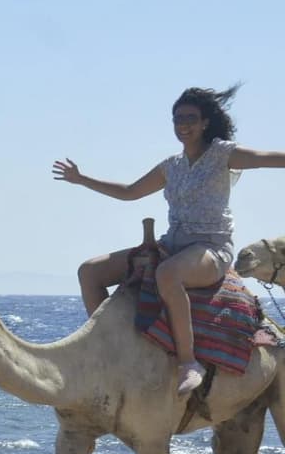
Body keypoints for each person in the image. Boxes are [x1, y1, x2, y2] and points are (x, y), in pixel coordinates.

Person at [54, 85, 285, 395]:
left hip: (210, 247)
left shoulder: (223, 154)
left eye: (190, 118)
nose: (183, 125)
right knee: (89, 271)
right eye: (177, 119)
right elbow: (128, 192)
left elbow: (266, 158)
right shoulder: (170, 166)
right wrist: (82, 179)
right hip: (172, 244)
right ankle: (108, 348)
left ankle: (189, 364)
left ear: (204, 122)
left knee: (168, 273)